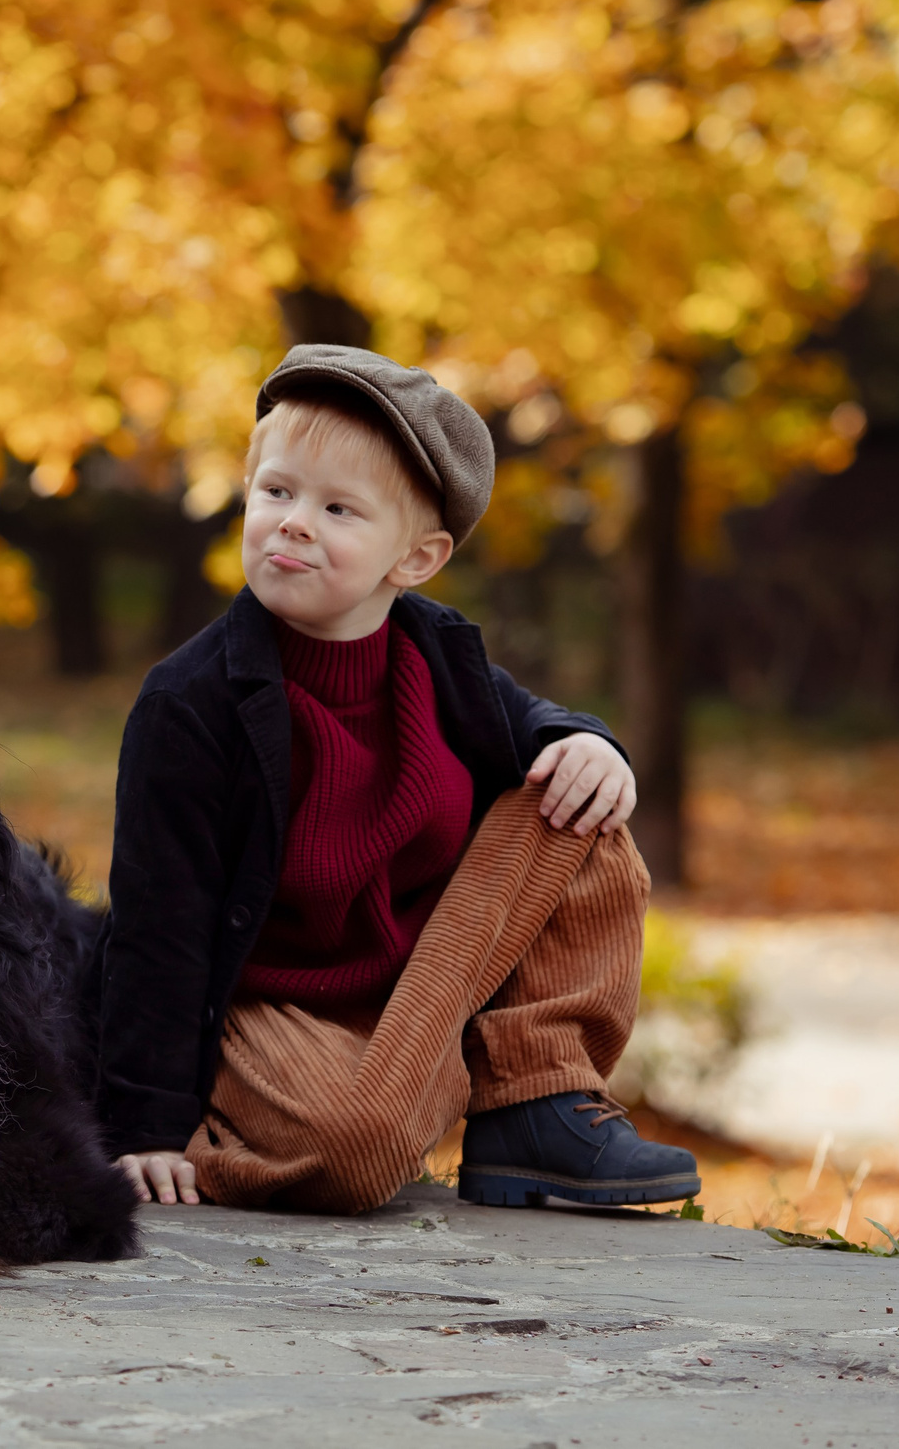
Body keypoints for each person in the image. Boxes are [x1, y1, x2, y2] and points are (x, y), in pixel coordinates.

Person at [99, 345, 699, 1214]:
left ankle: (534, 1102)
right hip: (277, 1012)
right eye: (276, 491)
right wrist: (144, 1124)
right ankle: (249, 1135)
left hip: (417, 982)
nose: (294, 523)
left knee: (580, 794)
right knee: (360, 1149)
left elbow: (529, 720)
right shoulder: (191, 704)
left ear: (415, 558)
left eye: (338, 508)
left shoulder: (436, 655)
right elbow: (159, 927)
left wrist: (589, 740)